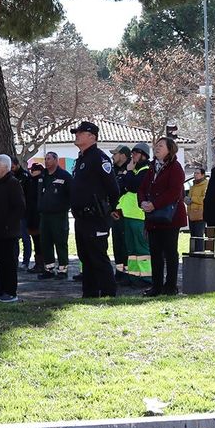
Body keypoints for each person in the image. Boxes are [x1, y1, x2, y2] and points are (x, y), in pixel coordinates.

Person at [69, 121, 119, 298]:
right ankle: (89, 294)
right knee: (85, 257)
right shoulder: (80, 159)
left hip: (96, 216)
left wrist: (111, 209)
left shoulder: (100, 158)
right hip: (81, 217)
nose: (76, 135)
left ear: (92, 136)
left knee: (98, 256)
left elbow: (113, 188)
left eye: (80, 133)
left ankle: (108, 293)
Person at [139, 137, 188, 296]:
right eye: (156, 145)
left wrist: (155, 204)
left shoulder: (175, 167)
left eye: (160, 145)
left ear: (170, 149)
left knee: (170, 252)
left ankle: (170, 286)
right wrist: (142, 203)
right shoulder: (152, 167)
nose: (156, 148)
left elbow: (174, 192)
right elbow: (142, 188)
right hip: (153, 218)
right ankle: (156, 286)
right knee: (155, 253)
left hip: (170, 218)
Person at [0, 155, 26, 303]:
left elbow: (19, 207)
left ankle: (10, 291)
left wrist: (8, 225)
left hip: (8, 233)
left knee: (8, 263)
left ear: (5, 167)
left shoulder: (13, 183)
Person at [115, 143, 151, 281]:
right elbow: (123, 185)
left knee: (141, 248)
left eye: (136, 152)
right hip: (129, 215)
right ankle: (135, 276)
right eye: (133, 152)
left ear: (144, 155)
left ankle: (146, 277)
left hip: (139, 215)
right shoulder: (135, 170)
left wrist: (128, 172)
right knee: (131, 250)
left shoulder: (146, 169)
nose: (133, 155)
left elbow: (133, 186)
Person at [36, 151, 73, 280]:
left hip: (59, 215)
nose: (46, 161)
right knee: (45, 242)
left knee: (60, 242)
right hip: (44, 215)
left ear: (56, 160)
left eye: (49, 159)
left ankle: (62, 269)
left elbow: (71, 194)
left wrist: (66, 207)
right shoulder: (43, 176)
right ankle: (49, 269)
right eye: (45, 159)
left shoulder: (64, 176)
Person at [24, 163, 45, 273]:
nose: (32, 172)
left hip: (38, 215)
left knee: (40, 241)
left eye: (34, 170)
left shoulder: (41, 180)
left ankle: (42, 263)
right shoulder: (30, 181)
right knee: (36, 241)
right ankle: (39, 263)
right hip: (31, 215)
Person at [187, 168, 208, 251]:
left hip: (200, 213)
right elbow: (190, 198)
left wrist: (193, 199)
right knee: (193, 235)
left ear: (202, 175)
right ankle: (193, 252)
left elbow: (204, 199)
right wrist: (187, 200)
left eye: (197, 173)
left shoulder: (206, 184)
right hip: (191, 213)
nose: (195, 175)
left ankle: (199, 251)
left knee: (199, 235)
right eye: (194, 173)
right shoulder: (193, 185)